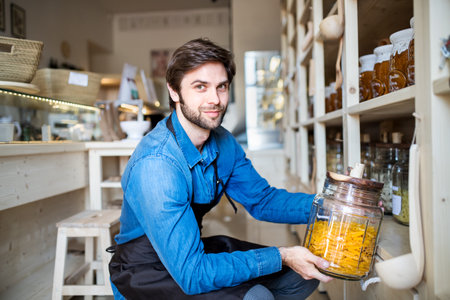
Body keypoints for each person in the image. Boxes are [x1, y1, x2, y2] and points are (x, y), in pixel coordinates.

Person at [108, 37, 332, 300]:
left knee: (301, 277)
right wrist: (282, 255)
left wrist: (331, 208)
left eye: (221, 87)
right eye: (200, 87)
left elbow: (262, 200)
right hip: (145, 271)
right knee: (258, 296)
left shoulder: (223, 141)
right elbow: (193, 275)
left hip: (189, 252)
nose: (214, 99)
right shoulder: (157, 166)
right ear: (174, 91)